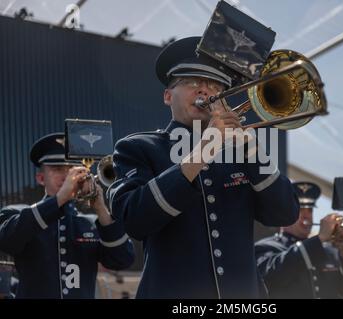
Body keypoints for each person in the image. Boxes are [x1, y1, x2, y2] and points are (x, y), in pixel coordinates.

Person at [107, 36, 299, 299]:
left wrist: (251, 149)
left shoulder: (242, 152)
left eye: (214, 84)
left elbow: (286, 213)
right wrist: (205, 148)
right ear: (167, 96)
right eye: (191, 82)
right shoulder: (139, 147)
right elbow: (135, 220)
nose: (204, 91)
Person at [0, 133, 134, 298]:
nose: (67, 176)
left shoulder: (92, 222)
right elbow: (6, 241)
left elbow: (122, 260)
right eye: (57, 169)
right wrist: (59, 199)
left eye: (72, 169)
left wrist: (100, 207)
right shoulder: (17, 213)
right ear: (41, 178)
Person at [255, 181, 343, 299]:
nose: (306, 217)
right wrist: (319, 239)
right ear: (285, 213)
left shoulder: (329, 252)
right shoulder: (266, 247)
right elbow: (269, 278)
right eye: (300, 210)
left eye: (310, 211)